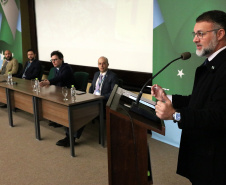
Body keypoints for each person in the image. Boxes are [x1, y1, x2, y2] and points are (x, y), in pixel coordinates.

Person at [151, 10, 226, 185]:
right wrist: (167, 97)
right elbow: (199, 100)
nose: (194, 39)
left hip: (215, 159)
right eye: (195, 34)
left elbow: (220, 116)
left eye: (201, 34)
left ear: (220, 34)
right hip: (203, 152)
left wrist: (176, 114)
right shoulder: (211, 63)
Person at [56, 56, 118, 147]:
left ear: (108, 64)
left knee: (82, 112)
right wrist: (88, 96)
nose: (102, 65)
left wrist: (100, 97)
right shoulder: (96, 74)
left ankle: (71, 139)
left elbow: (113, 94)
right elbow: (92, 88)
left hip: (102, 102)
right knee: (73, 109)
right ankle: (68, 135)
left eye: (104, 63)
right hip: (92, 99)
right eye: (100, 63)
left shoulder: (113, 76)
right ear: (98, 65)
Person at [40, 50, 75, 128]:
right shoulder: (56, 68)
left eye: (55, 59)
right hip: (59, 90)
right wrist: (48, 82)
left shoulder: (66, 67)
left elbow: (60, 78)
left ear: (61, 59)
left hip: (68, 92)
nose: (53, 62)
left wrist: (49, 82)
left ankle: (61, 121)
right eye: (52, 60)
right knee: (48, 96)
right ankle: (56, 119)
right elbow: (56, 79)